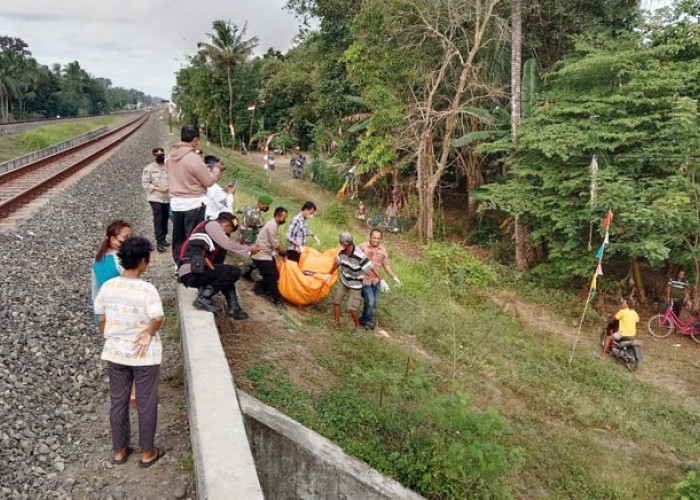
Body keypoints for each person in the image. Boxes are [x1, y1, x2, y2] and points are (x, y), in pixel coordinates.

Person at [94, 236, 166, 468]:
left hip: (115, 353)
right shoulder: (147, 289)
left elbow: (101, 318)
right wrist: (147, 333)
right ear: (143, 261)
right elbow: (158, 318)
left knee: (118, 401)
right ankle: (147, 452)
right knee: (146, 402)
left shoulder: (108, 286)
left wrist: (110, 337)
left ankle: (120, 449)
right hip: (144, 355)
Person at [177, 212, 258, 319]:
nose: (228, 233)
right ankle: (203, 298)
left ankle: (234, 308)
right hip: (191, 271)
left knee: (228, 274)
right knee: (235, 271)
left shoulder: (211, 237)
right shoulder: (212, 225)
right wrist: (248, 250)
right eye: (230, 230)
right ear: (226, 224)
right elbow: (227, 244)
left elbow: (218, 264)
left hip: (195, 270)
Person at [167, 124, 223, 264]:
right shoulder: (193, 158)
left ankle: (179, 265)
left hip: (176, 204)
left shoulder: (171, 156)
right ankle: (192, 266)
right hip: (193, 204)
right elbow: (209, 181)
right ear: (195, 139)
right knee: (194, 237)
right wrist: (216, 169)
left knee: (178, 237)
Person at [326, 232, 373, 333]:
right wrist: (329, 274)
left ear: (346, 243)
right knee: (336, 302)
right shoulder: (342, 252)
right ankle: (336, 323)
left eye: (341, 242)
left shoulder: (359, 255)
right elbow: (337, 263)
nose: (339, 244)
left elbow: (370, 268)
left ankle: (357, 327)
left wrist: (379, 279)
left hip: (355, 284)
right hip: (344, 280)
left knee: (352, 308)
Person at [358, 229, 401, 330]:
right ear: (370, 237)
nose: (376, 240)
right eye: (374, 238)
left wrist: (394, 277)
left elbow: (386, 265)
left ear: (381, 239)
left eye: (378, 238)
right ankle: (366, 322)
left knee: (374, 303)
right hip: (365, 280)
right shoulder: (362, 247)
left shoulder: (382, 250)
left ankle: (364, 319)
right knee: (370, 301)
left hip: (376, 281)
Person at [92, 219, 133, 319]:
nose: (130, 242)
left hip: (105, 314)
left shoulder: (98, 259)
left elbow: (95, 289)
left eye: (131, 237)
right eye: (125, 238)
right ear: (113, 239)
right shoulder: (121, 260)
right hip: (123, 315)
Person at [252, 207, 289, 310]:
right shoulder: (272, 226)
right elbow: (275, 243)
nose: (284, 220)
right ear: (277, 216)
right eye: (283, 217)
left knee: (275, 275)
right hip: (261, 255)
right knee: (272, 278)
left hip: (267, 254)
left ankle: (260, 289)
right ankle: (277, 300)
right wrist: (283, 253)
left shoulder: (274, 224)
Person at [141, 148, 170, 252]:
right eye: (158, 156)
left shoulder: (169, 167)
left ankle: (164, 237)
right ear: (154, 156)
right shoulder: (149, 168)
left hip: (167, 197)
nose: (160, 157)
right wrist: (158, 188)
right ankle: (159, 242)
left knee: (165, 217)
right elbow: (145, 183)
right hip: (155, 197)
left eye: (162, 156)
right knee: (158, 218)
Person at [202, 155, 235, 221]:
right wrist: (230, 194)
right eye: (221, 171)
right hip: (214, 221)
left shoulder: (202, 181)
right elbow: (225, 206)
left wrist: (223, 191)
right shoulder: (214, 188)